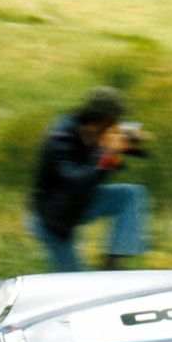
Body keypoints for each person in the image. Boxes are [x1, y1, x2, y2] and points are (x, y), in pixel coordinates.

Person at [30, 86, 149, 272]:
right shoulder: (60, 138)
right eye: (114, 120)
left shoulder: (94, 131)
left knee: (130, 195)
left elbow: (130, 157)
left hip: (79, 204)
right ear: (100, 120)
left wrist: (131, 143)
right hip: (53, 219)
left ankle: (112, 261)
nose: (118, 124)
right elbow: (77, 182)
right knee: (76, 284)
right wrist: (107, 153)